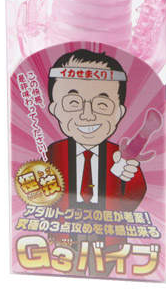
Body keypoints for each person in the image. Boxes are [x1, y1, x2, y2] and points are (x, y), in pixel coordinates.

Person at [47, 49, 146, 214]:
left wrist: (129, 177)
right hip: (62, 226)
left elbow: (134, 198)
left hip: (110, 226)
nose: (88, 115)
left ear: (119, 112)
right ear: (55, 109)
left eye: (102, 104)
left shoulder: (119, 155)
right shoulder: (54, 152)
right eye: (73, 103)